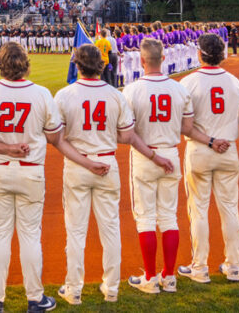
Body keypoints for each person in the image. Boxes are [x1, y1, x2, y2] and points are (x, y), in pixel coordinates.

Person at [53, 44, 168, 304]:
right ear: (102, 65)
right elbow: (126, 135)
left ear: (77, 65)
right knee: (110, 229)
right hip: (106, 162)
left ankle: (73, 290)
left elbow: (57, 138)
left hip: (77, 164)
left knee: (76, 231)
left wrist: (85, 157)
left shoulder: (63, 94)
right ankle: (112, 287)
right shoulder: (116, 95)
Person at [0, 42, 61, 313]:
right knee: (30, 235)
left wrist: (4, 147)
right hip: (31, 169)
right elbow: (54, 136)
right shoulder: (41, 93)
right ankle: (35, 299)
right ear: (26, 64)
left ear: (1, 64)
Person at [122, 38, 224, 294]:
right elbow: (187, 128)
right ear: (163, 59)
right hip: (171, 152)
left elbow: (127, 133)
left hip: (145, 155)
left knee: (145, 218)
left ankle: (150, 278)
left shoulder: (132, 90)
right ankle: (169, 276)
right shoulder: (179, 89)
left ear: (142, 60)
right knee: (169, 216)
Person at [177, 34, 239, 284]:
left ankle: (200, 267)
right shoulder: (235, 82)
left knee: (199, 210)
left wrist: (209, 140)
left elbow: (184, 127)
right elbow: (238, 119)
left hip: (200, 149)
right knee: (230, 209)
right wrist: (221, 139)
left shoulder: (188, 82)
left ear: (200, 54)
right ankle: (234, 265)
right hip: (228, 149)